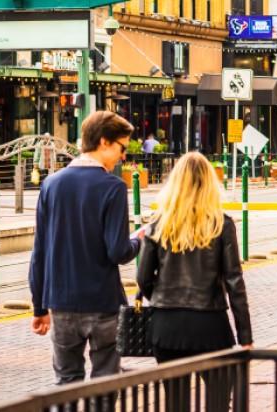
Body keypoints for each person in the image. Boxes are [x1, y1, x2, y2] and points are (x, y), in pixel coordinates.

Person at [28, 111, 144, 385]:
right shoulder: (113, 187)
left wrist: (39, 308)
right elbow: (118, 252)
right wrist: (139, 239)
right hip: (103, 304)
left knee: (66, 383)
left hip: (62, 303)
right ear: (104, 142)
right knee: (105, 384)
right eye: (122, 147)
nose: (123, 155)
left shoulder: (51, 185)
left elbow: (40, 253)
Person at [137, 152, 253, 411]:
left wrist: (161, 297)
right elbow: (235, 282)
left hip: (166, 328)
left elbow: (143, 279)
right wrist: (245, 334)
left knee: (176, 403)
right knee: (219, 399)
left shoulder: (159, 223)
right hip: (209, 325)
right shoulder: (221, 224)